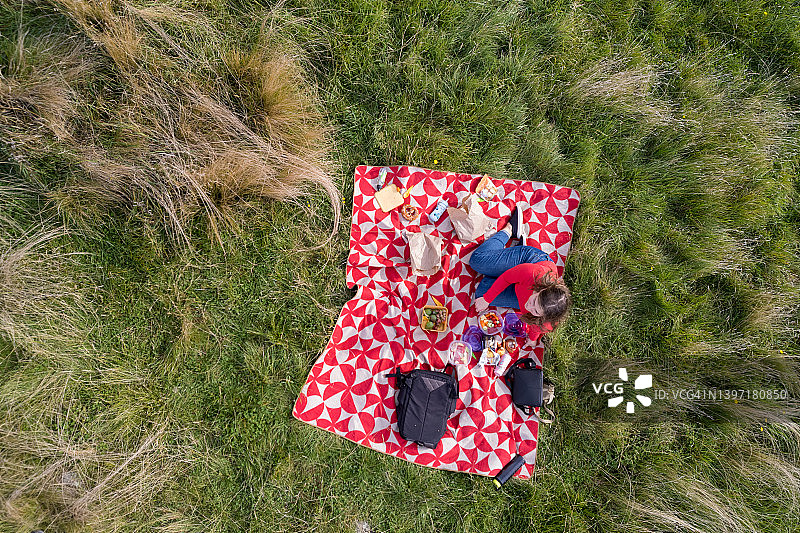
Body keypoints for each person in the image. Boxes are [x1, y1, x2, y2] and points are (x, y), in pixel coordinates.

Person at [470, 206, 572, 343]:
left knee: (480, 293)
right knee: (477, 261)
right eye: (535, 301)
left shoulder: (548, 321)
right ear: (542, 289)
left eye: (536, 311)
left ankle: (498, 267)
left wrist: (532, 339)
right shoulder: (535, 273)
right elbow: (507, 277)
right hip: (526, 262)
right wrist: (488, 299)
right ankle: (510, 230)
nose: (529, 307)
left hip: (520, 288)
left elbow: (537, 328)